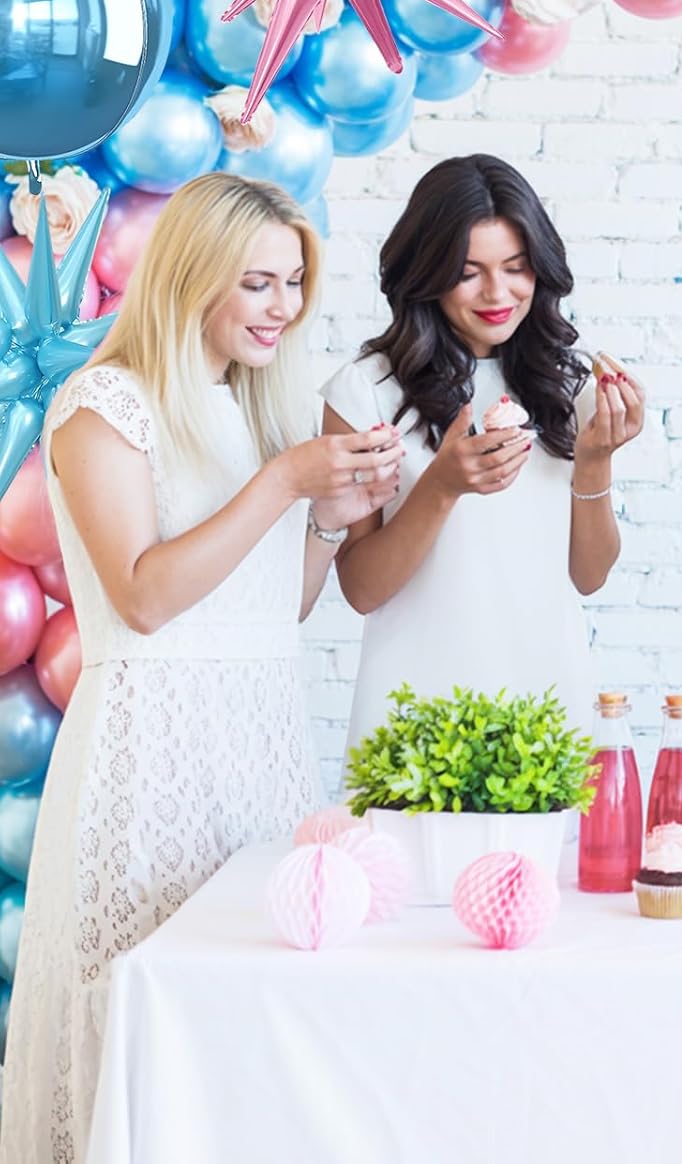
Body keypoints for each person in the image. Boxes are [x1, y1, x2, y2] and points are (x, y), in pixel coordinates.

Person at [0, 175, 399, 1164]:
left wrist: (328, 522)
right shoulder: (102, 405)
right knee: (136, 1022)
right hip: (149, 757)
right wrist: (284, 483)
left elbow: (274, 610)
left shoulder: (260, 413)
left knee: (254, 1021)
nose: (282, 308)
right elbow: (144, 597)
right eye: (257, 283)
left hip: (258, 747)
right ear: (190, 276)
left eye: (293, 283)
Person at [322, 155, 643, 757]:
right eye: (468, 273)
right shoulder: (365, 391)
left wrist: (595, 459)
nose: (498, 293)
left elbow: (589, 575)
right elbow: (362, 590)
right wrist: (440, 487)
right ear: (427, 273)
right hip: (415, 713)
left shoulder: (571, 385)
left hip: (545, 703)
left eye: (516, 268)